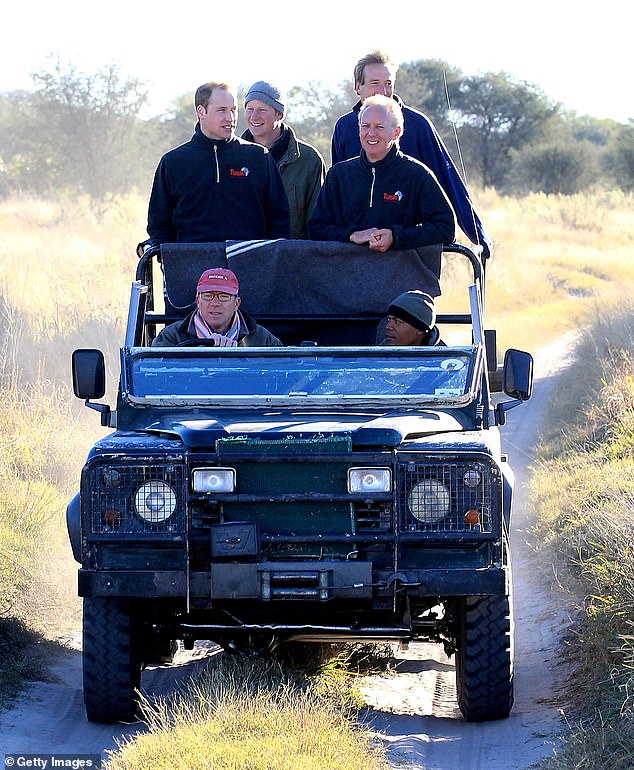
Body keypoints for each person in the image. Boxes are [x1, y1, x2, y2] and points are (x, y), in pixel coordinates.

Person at [331, 50, 492, 258]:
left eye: (388, 84)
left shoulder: (417, 124)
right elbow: (336, 193)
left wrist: (479, 237)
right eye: (375, 83)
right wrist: (350, 236)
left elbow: (448, 179)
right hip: (358, 252)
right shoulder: (344, 128)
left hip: (408, 251)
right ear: (358, 87)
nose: (383, 91)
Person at [142, 82, 290, 252]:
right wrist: (171, 263)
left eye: (233, 110)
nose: (230, 118)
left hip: (250, 270)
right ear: (201, 111)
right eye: (222, 110)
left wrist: (266, 263)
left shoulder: (259, 157)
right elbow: (159, 226)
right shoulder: (173, 162)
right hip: (190, 270)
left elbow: (280, 222)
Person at [308, 95, 455, 251]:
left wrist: (396, 236)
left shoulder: (417, 175)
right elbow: (316, 228)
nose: (371, 133)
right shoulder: (337, 175)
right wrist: (352, 235)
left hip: (400, 272)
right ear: (359, 131)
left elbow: (446, 228)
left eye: (379, 127)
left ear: (396, 132)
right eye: (365, 126)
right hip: (346, 272)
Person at [242, 81, 326, 240]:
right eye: (250, 109)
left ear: (279, 114)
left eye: (262, 110)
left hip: (293, 259)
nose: (254, 116)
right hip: (243, 258)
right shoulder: (233, 157)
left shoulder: (309, 160)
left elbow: (317, 223)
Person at [152, 268, 282, 347]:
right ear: (198, 301)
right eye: (208, 296)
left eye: (224, 297)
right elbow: (155, 376)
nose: (215, 303)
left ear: (236, 303)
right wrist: (200, 354)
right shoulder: (171, 337)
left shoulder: (263, 339)